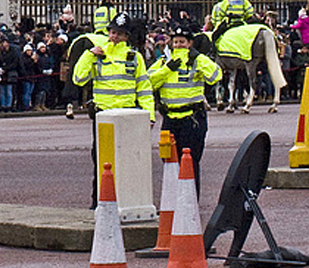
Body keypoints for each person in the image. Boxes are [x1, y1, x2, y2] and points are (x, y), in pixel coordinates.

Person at [71, 11, 154, 209]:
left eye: (119, 33)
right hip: (104, 116)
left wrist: (149, 114)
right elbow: (79, 78)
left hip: (127, 116)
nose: (114, 36)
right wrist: (88, 56)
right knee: (100, 160)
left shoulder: (135, 57)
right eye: (112, 32)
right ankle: (98, 201)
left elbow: (143, 88)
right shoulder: (97, 53)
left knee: (127, 161)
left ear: (126, 36)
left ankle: (125, 200)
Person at [148, 24, 222, 194]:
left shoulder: (197, 61)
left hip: (192, 119)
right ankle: (172, 200)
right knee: (168, 159)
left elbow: (215, 76)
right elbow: (148, 83)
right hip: (170, 120)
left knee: (190, 161)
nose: (178, 45)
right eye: (175, 42)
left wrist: (199, 59)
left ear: (190, 44)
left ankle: (190, 200)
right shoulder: (163, 62)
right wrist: (167, 70)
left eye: (182, 42)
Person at [63, 0, 118, 120]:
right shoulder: (111, 10)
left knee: (74, 69)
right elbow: (114, 26)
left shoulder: (98, 10)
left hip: (94, 34)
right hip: (104, 37)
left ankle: (70, 102)